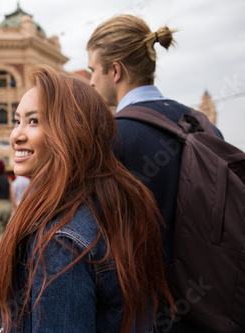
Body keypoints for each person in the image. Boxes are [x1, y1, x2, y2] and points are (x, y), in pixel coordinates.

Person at [0, 65, 174, 332]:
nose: (17, 135)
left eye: (34, 121)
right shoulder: (118, 205)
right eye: (17, 121)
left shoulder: (62, 241)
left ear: (72, 131)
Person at [86, 15, 222, 332]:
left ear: (115, 70)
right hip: (213, 302)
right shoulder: (202, 123)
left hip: (147, 314)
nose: (91, 81)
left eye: (93, 69)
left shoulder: (112, 138)